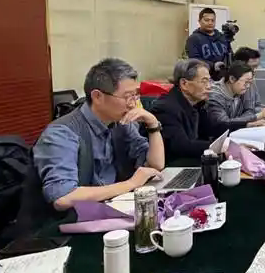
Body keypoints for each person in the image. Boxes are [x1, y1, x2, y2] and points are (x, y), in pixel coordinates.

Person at [33, 58, 166, 212]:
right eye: (127, 96)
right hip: (72, 219)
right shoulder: (62, 133)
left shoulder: (120, 123)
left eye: (135, 95)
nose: (133, 104)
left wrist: (153, 124)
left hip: (111, 208)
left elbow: (156, 165)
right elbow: (63, 197)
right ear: (97, 96)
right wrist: (130, 184)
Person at [149, 59, 216, 159]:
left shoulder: (197, 103)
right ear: (184, 84)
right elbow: (181, 147)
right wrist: (216, 147)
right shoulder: (166, 108)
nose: (209, 86)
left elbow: (211, 129)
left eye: (210, 81)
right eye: (204, 81)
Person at [205, 63, 265, 135]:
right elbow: (224, 123)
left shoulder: (238, 90)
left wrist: (250, 123)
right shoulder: (215, 94)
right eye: (246, 82)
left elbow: (249, 110)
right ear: (232, 79)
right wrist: (257, 117)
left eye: (250, 82)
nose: (248, 86)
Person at [185, 8, 232, 76]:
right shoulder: (193, 39)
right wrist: (213, 65)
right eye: (206, 20)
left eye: (213, 20)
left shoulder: (223, 37)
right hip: (204, 76)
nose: (210, 23)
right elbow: (194, 60)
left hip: (224, 76)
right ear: (199, 21)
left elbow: (229, 54)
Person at [232, 46, 265, 117]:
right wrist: (257, 116)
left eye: (256, 67)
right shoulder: (233, 84)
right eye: (252, 67)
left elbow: (257, 105)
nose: (254, 71)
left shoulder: (252, 82)